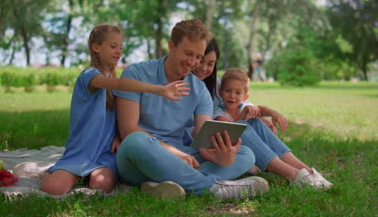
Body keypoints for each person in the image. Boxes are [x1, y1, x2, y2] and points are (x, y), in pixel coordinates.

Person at [114, 19, 269, 200]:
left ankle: (163, 186)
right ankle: (213, 188)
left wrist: (221, 156)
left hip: (182, 155)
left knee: (246, 154)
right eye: (188, 53)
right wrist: (174, 154)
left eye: (198, 57)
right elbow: (127, 130)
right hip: (140, 158)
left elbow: (203, 137)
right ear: (171, 46)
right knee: (135, 140)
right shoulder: (136, 74)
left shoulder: (200, 90)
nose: (193, 62)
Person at [40, 24, 190, 195]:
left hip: (106, 154)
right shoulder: (89, 76)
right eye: (113, 46)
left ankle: (85, 176)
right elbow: (120, 85)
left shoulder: (114, 78)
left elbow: (119, 116)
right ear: (96, 47)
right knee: (53, 188)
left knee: (101, 185)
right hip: (82, 151)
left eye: (120, 47)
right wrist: (160, 89)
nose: (119, 51)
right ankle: (52, 173)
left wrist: (118, 136)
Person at [212, 68, 332, 189]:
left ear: (245, 96)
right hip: (232, 154)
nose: (232, 96)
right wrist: (245, 113)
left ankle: (307, 171)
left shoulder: (243, 106)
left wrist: (273, 113)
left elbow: (259, 109)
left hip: (249, 152)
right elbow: (232, 130)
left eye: (238, 93)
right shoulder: (217, 111)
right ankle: (294, 175)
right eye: (228, 91)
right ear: (220, 92)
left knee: (255, 121)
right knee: (244, 126)